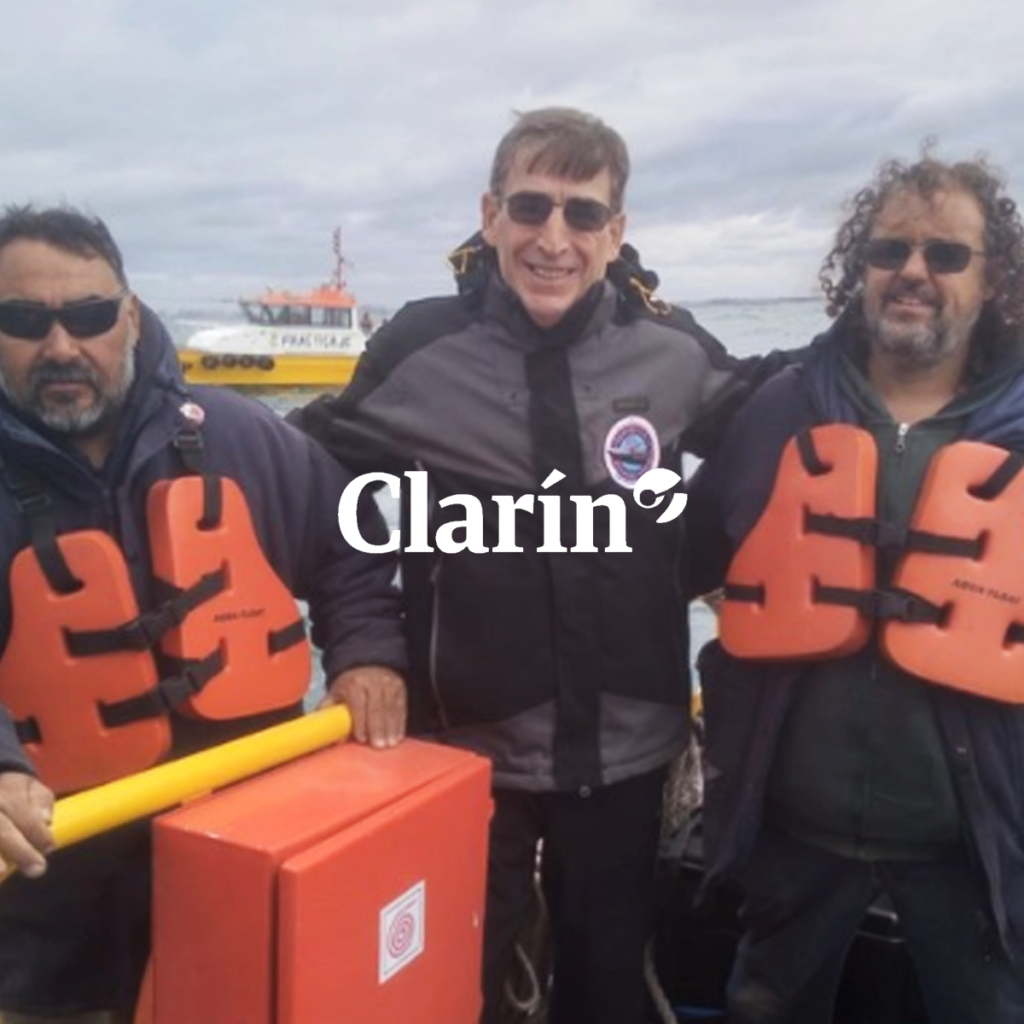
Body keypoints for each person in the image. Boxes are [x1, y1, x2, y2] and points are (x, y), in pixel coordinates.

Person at [291, 107, 789, 1024]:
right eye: (530, 207)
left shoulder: (672, 349)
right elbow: (305, 491)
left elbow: (780, 429)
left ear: (616, 232)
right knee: (463, 991)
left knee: (609, 987)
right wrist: (362, 645)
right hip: (465, 754)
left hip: (628, 752)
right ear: (491, 217)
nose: (554, 238)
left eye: (582, 213)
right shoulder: (418, 351)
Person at [0, 205, 408, 1024]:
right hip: (49, 897)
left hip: (248, 856)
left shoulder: (241, 436)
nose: (61, 347)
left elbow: (353, 545)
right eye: (24, 321)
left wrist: (368, 653)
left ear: (130, 315)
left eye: (88, 315)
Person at [687, 152, 1024, 1024]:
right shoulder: (779, 409)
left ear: (992, 280)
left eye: (946, 254)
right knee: (764, 1006)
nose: (913, 271)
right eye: (888, 250)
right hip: (794, 827)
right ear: (857, 268)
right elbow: (682, 554)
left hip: (977, 839)